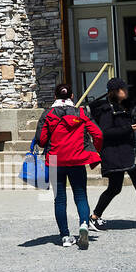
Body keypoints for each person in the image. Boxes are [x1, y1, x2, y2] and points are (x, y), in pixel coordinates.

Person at [88, 77, 136, 232]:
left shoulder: (127, 105)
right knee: (115, 188)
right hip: (113, 153)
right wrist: (130, 129)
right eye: (123, 89)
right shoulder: (104, 110)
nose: (126, 92)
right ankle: (94, 217)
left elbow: (129, 126)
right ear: (114, 92)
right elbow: (106, 133)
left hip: (129, 151)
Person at [35, 83, 104, 249]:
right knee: (80, 195)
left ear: (55, 96)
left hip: (54, 160)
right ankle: (84, 225)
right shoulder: (81, 112)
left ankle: (65, 236)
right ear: (72, 96)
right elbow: (98, 134)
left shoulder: (48, 114)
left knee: (59, 200)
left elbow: (42, 141)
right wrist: (94, 150)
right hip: (77, 158)